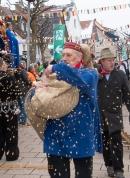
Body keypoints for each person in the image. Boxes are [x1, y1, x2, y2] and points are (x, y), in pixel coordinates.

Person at [43, 43, 102, 178]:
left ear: (79, 57)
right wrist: (39, 90)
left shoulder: (90, 74)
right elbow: (37, 101)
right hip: (56, 134)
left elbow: (78, 79)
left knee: (83, 175)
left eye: (68, 55)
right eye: (63, 55)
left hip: (81, 134)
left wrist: (56, 66)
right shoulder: (55, 76)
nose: (64, 58)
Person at [97, 48, 130, 178]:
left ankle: (119, 169)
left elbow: (127, 96)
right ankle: (109, 165)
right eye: (109, 60)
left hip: (115, 114)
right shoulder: (96, 76)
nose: (112, 63)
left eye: (113, 60)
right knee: (105, 141)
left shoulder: (120, 75)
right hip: (101, 114)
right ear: (102, 62)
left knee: (117, 141)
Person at [14, 60, 31, 126]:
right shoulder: (23, 71)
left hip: (17, 90)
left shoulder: (16, 71)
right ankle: (23, 120)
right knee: (23, 105)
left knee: (19, 105)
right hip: (23, 90)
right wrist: (31, 83)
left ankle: (19, 119)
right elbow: (26, 79)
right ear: (23, 65)